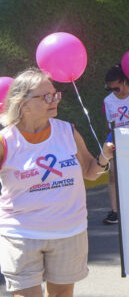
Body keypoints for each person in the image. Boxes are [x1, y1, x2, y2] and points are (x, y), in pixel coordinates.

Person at [0, 68, 115, 296]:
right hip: (21, 235)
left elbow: (90, 171)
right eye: (46, 97)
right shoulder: (6, 140)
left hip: (69, 231)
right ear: (23, 103)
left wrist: (104, 157)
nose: (54, 100)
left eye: (55, 94)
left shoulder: (67, 131)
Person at [101, 65, 129, 225]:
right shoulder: (108, 101)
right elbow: (108, 124)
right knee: (113, 175)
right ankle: (115, 211)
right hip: (117, 140)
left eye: (117, 88)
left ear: (125, 81)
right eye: (110, 89)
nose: (114, 91)